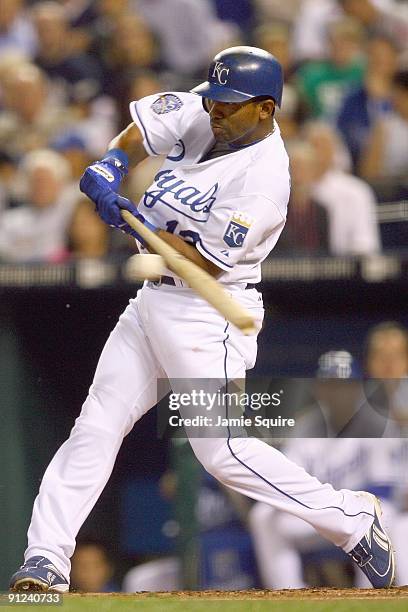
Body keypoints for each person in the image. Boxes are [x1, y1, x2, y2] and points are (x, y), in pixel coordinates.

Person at [10, 46, 394, 593]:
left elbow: (198, 261)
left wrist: (131, 222)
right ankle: (46, 559)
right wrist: (112, 165)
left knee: (223, 452)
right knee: (96, 425)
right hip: (151, 303)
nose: (215, 111)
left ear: (265, 109)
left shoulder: (265, 180)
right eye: (214, 99)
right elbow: (141, 134)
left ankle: (351, 518)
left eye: (230, 105)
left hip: (205, 309)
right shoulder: (209, 105)